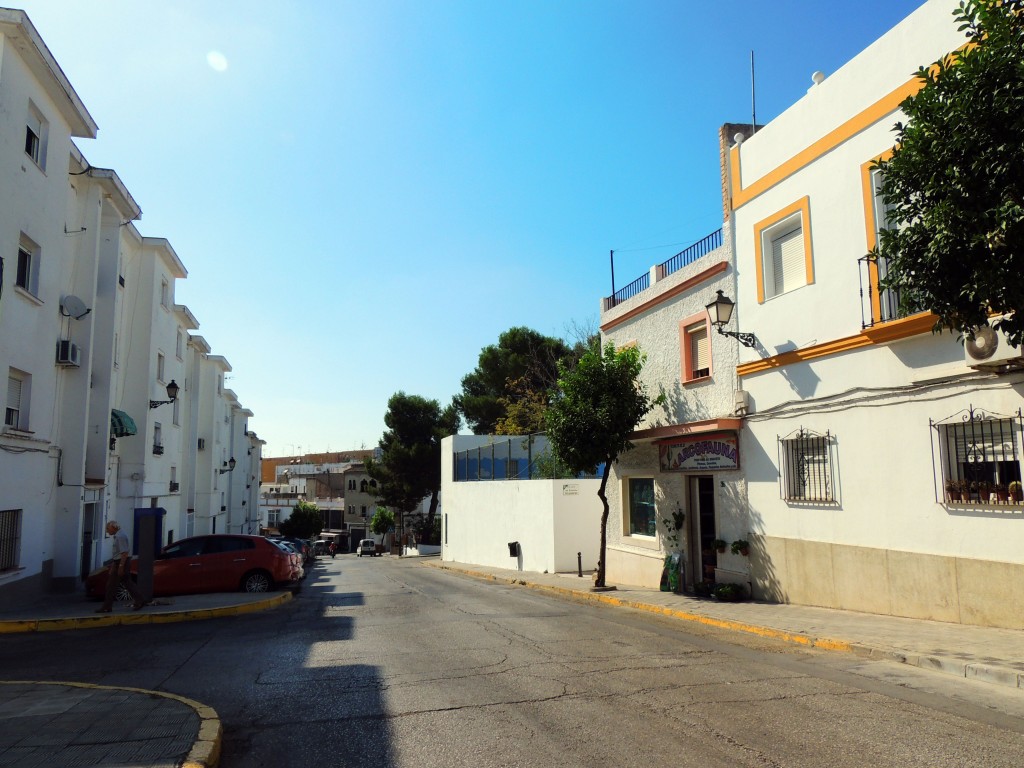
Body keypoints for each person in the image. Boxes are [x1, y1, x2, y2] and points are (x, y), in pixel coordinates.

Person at [96, 520, 146, 612]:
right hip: (118, 562)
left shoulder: (120, 536)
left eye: (108, 528)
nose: (107, 531)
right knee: (125, 583)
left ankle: (107, 606)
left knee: (114, 585)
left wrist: (121, 567)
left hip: (122, 562)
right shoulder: (118, 535)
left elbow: (124, 553)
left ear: (114, 527)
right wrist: (114, 565)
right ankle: (139, 600)